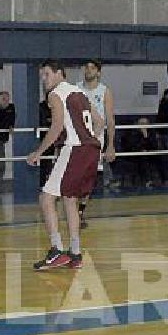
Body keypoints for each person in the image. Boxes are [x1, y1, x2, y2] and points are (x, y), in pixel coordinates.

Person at [26, 59, 103, 271]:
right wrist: (88, 139)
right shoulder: (80, 93)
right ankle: (76, 253)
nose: (44, 79)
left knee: (46, 198)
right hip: (91, 150)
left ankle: (57, 250)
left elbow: (57, 125)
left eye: (47, 74)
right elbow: (100, 122)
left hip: (75, 150)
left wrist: (38, 153)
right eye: (42, 75)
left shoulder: (56, 94)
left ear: (60, 73)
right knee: (70, 200)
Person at [78, 58, 116, 224]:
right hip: (77, 138)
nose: (88, 70)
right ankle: (73, 210)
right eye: (86, 67)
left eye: (92, 68)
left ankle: (80, 212)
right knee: (75, 176)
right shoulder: (76, 89)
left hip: (96, 140)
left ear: (98, 72)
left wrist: (111, 145)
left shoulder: (104, 91)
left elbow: (110, 120)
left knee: (89, 178)